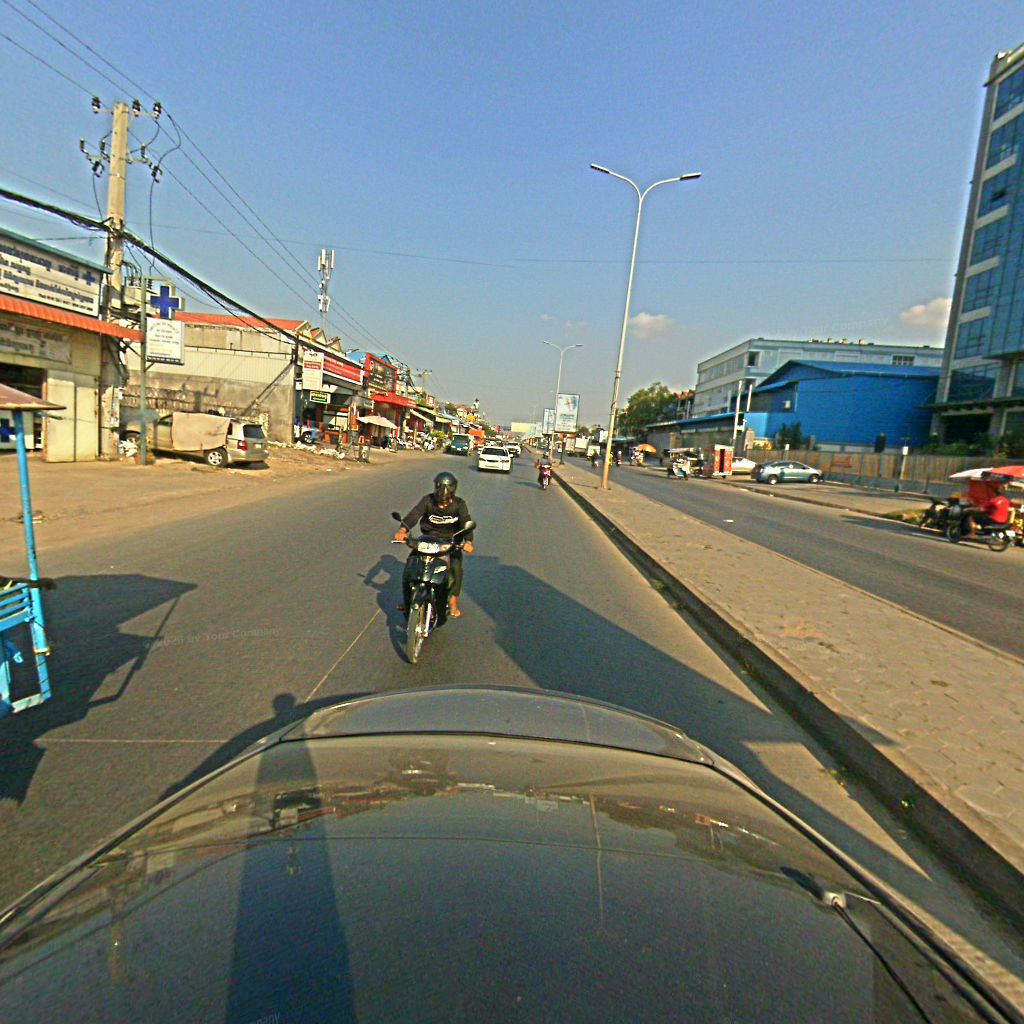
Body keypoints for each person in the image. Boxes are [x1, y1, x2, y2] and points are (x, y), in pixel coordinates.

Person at [393, 471, 475, 618]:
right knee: (411, 564)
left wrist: (468, 541)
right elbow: (414, 514)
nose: (442, 491)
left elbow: (466, 522)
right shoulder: (428, 500)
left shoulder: (459, 505)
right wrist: (403, 529)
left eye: (446, 488)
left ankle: (453, 599)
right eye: (439, 486)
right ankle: (408, 600)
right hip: (428, 539)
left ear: (453, 489)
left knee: (455, 568)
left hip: (450, 542)